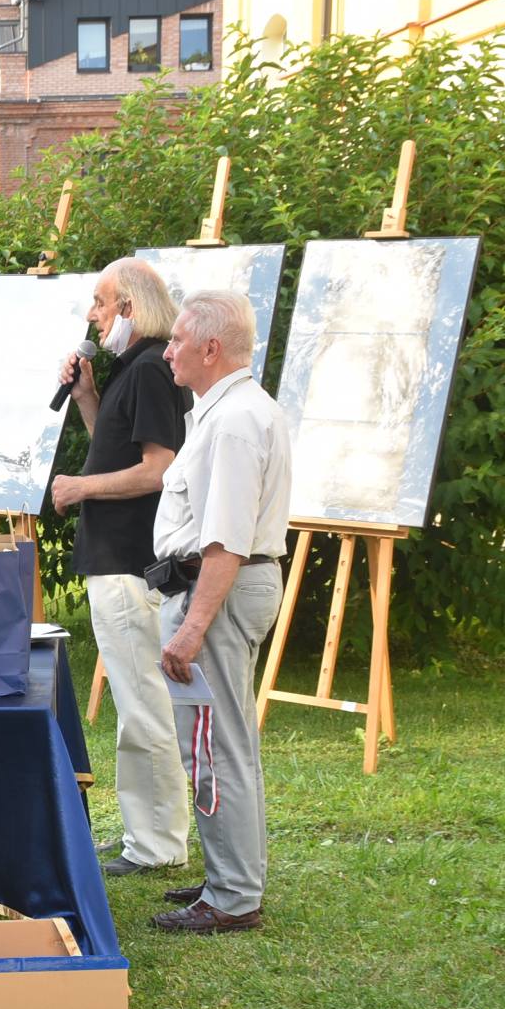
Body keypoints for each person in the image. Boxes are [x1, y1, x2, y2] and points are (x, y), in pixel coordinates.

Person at [151, 290, 293, 934]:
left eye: (178, 340)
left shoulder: (235, 420)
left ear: (211, 348)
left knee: (215, 747)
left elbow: (225, 540)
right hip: (227, 589)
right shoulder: (228, 410)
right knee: (226, 741)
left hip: (220, 592)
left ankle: (233, 894)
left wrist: (191, 628)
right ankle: (228, 875)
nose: (168, 350)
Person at [50, 258, 191, 879]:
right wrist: (86, 398)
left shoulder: (154, 371)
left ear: (129, 307)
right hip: (114, 563)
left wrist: (79, 489)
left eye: (101, 304)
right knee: (135, 705)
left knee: (142, 705)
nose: (92, 315)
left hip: (133, 565)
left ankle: (157, 843)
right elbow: (116, 443)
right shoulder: (133, 372)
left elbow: (159, 469)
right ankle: (144, 833)